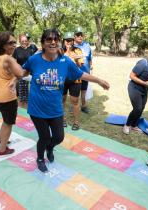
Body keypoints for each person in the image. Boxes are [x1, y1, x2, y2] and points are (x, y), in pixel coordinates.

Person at [23, 28, 110, 172]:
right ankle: (39, 158)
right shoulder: (34, 60)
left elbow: (81, 74)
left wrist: (99, 80)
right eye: (48, 40)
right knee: (44, 137)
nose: (52, 42)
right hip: (37, 109)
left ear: (59, 42)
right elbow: (23, 72)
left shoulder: (65, 61)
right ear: (43, 43)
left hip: (55, 109)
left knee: (58, 137)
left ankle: (50, 149)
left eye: (55, 39)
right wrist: (11, 80)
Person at [123, 44, 148, 134]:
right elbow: (132, 76)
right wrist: (144, 83)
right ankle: (127, 125)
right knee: (137, 108)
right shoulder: (143, 63)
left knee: (141, 108)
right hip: (134, 88)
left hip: (144, 89)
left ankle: (134, 125)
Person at [62, 32, 85, 130]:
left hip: (75, 80)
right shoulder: (59, 51)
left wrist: (75, 59)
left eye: (71, 40)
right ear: (63, 41)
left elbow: (80, 66)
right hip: (62, 80)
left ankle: (76, 122)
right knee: (61, 100)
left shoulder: (77, 50)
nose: (69, 42)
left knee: (75, 101)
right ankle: (62, 119)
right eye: (67, 40)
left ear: (73, 41)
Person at [13, 33, 38, 108]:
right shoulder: (17, 50)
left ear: (28, 41)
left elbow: (38, 57)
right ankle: (21, 112)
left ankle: (30, 112)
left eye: (26, 40)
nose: (24, 42)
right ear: (20, 41)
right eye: (22, 41)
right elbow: (14, 62)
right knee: (22, 96)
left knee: (33, 94)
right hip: (22, 74)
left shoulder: (32, 48)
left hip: (32, 73)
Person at [74, 27, 93, 114]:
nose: (80, 37)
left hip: (86, 71)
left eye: (81, 35)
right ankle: (75, 106)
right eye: (78, 35)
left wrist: (91, 67)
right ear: (74, 36)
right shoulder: (72, 46)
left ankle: (84, 106)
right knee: (75, 90)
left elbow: (89, 58)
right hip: (75, 72)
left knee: (84, 90)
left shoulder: (87, 45)